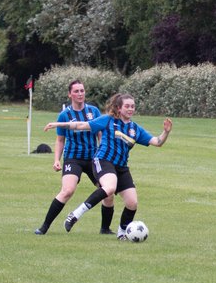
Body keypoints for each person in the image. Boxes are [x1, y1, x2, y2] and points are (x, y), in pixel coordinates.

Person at [44, 93, 171, 239]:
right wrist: (59, 124)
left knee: (132, 202)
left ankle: (122, 233)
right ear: (118, 108)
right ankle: (76, 214)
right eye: (127, 106)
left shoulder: (135, 129)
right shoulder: (108, 120)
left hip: (121, 167)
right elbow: (81, 125)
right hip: (103, 161)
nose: (130, 109)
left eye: (133, 106)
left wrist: (166, 132)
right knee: (109, 188)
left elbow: (157, 142)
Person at [35, 80, 114, 235]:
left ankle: (105, 229)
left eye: (82, 91)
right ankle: (44, 227)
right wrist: (56, 160)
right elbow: (60, 140)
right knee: (67, 190)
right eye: (76, 91)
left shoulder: (94, 111)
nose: (80, 94)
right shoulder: (64, 115)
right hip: (73, 158)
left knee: (108, 192)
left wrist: (104, 155)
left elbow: (100, 135)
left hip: (94, 158)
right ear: (69, 94)